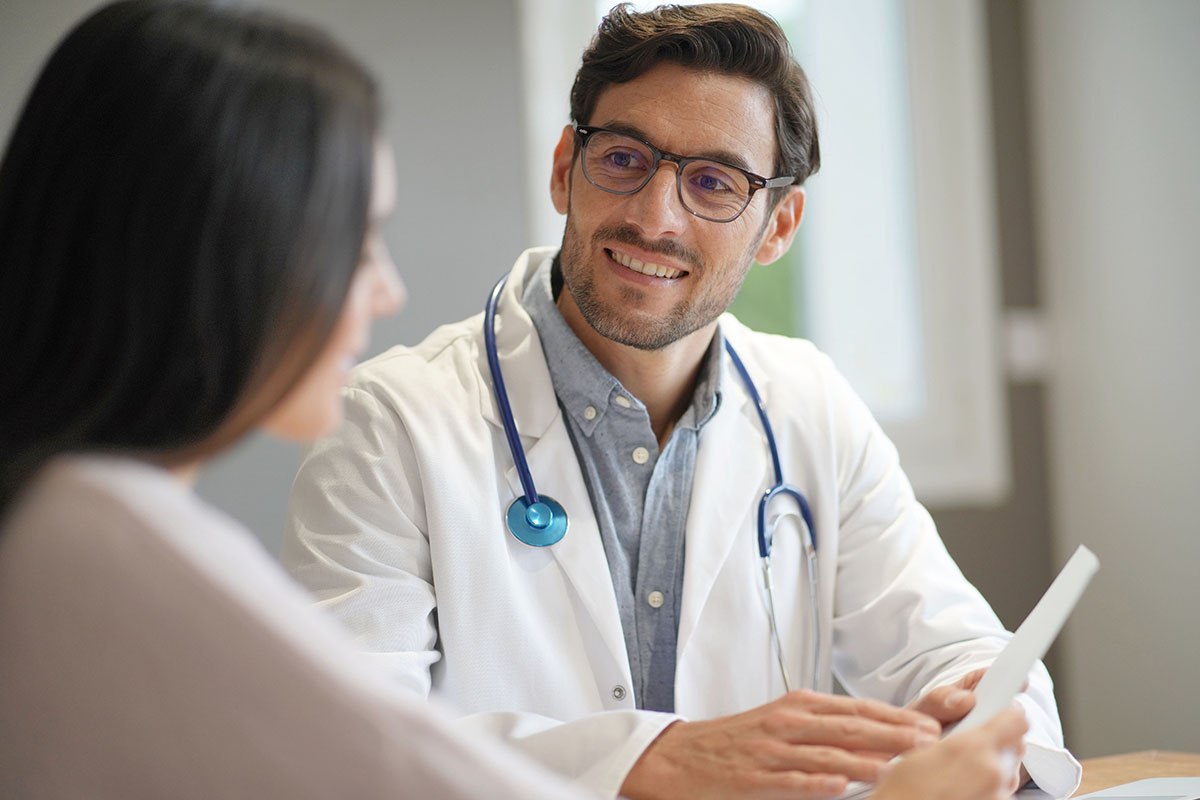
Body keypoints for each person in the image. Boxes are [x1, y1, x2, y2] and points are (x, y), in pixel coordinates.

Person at [279, 4, 1081, 800]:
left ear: (778, 226)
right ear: (565, 167)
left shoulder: (810, 405)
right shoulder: (388, 421)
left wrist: (983, 726)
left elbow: (957, 650)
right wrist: (646, 761)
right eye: (625, 158)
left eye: (713, 182)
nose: (655, 216)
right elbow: (341, 747)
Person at [0, 2, 599, 797]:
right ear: (224, 252)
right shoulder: (99, 530)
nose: (390, 290)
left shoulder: (58, 511)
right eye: (354, 246)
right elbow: (400, 769)